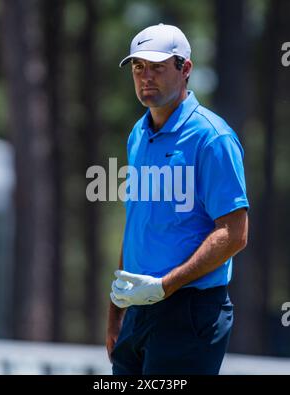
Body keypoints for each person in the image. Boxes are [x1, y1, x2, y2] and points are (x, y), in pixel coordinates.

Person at [106, 23, 249, 375]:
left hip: (191, 309)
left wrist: (165, 286)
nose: (145, 77)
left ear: (185, 69)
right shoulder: (138, 134)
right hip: (139, 309)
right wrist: (116, 310)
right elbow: (137, 222)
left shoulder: (212, 137)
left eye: (157, 67)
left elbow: (234, 233)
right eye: (138, 67)